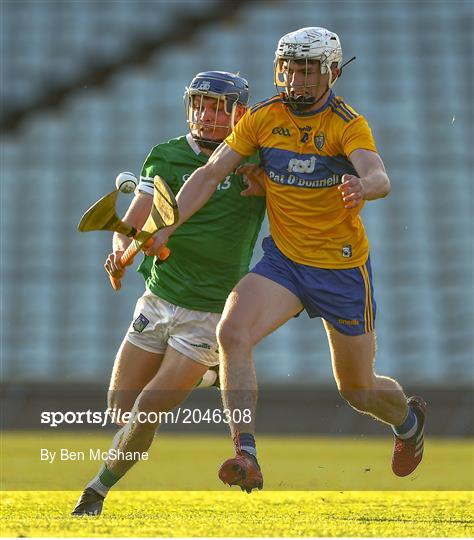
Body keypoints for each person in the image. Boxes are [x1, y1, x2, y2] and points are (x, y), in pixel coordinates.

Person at [151, 27, 427, 493]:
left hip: (340, 269)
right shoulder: (262, 117)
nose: (297, 81)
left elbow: (379, 174)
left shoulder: (346, 123)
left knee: (357, 390)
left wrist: (364, 186)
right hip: (284, 263)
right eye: (290, 69)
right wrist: (168, 225)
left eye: (308, 71)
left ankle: (409, 423)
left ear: (332, 73)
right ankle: (246, 452)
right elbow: (211, 171)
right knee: (232, 333)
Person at [71, 71, 266, 515]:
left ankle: (95, 492)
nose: (206, 113)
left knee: (145, 410)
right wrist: (119, 250)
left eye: (219, 106)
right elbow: (134, 223)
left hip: (209, 312)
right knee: (119, 408)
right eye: (200, 103)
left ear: (239, 113)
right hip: (157, 299)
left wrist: (269, 184)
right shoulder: (164, 155)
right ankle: (204, 376)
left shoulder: (257, 159)